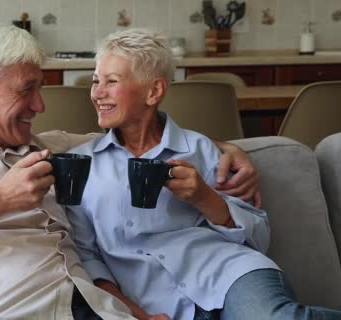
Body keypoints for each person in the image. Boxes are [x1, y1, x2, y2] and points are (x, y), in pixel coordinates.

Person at [0, 23, 260, 319]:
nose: (40, 105)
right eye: (26, 90)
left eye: (40, 89)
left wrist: (230, 148)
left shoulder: (56, 148)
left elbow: (143, 133)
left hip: (100, 309)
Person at [66, 28, 341, 320]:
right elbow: (86, 257)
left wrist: (204, 197)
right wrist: (135, 314)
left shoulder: (199, 149)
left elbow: (259, 236)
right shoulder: (81, 163)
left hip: (227, 275)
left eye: (111, 81)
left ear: (154, 91)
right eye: (96, 81)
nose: (97, 92)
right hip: (152, 298)